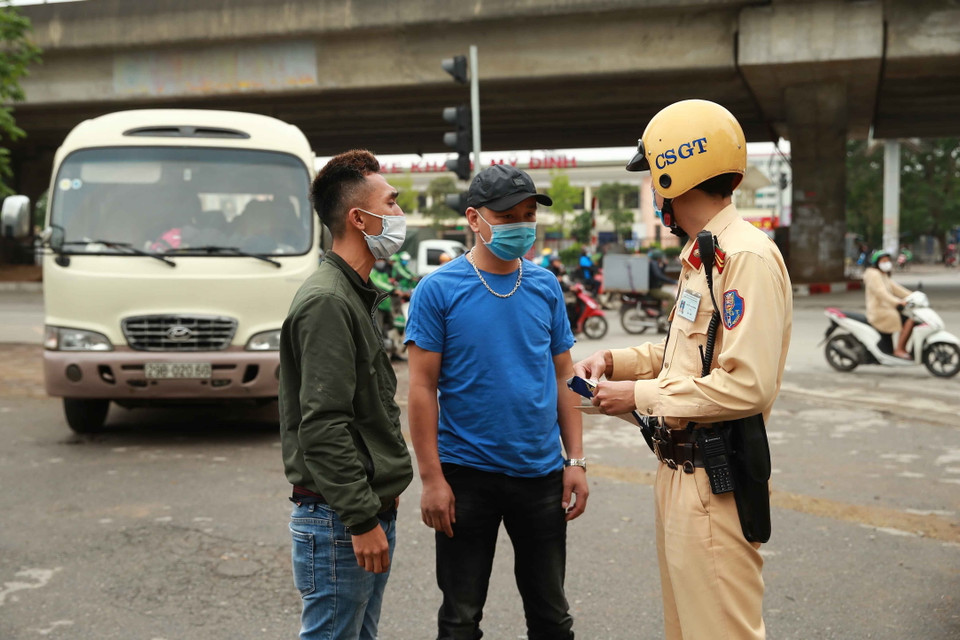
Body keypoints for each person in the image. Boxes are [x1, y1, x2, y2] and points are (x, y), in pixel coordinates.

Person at [574, 99, 792, 640]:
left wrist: (638, 397)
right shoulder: (704, 256)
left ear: (677, 174)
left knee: (720, 632)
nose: (653, 189)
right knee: (686, 629)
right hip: (678, 472)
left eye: (654, 176)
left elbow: (747, 385)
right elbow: (684, 352)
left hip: (715, 479)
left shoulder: (745, 258)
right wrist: (616, 362)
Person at [405, 163, 588, 640]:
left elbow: (564, 374)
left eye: (528, 215)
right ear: (474, 218)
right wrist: (432, 479)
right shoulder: (437, 291)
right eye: (507, 216)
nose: (521, 226)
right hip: (466, 476)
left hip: (541, 475)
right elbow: (421, 388)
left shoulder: (545, 286)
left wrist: (575, 461)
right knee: (460, 618)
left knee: (552, 618)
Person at [279, 149, 414, 640]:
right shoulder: (329, 302)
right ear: (359, 218)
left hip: (362, 510)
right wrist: (360, 520)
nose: (400, 214)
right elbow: (323, 426)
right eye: (391, 203)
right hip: (340, 519)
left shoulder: (353, 292)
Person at [863, 250, 914, 358]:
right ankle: (899, 349)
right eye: (883, 261)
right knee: (909, 320)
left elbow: (896, 289)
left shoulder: (883, 275)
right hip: (879, 311)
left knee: (909, 318)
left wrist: (913, 296)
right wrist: (898, 302)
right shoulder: (873, 274)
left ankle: (900, 348)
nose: (886, 263)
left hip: (886, 308)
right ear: (877, 262)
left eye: (888, 260)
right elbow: (881, 293)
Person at [647, 248, 679, 314]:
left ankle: (661, 313)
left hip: (656, 288)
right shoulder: (654, 264)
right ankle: (667, 316)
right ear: (659, 257)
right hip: (654, 290)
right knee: (671, 297)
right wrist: (673, 282)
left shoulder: (654, 263)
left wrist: (664, 265)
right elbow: (659, 276)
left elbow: (660, 273)